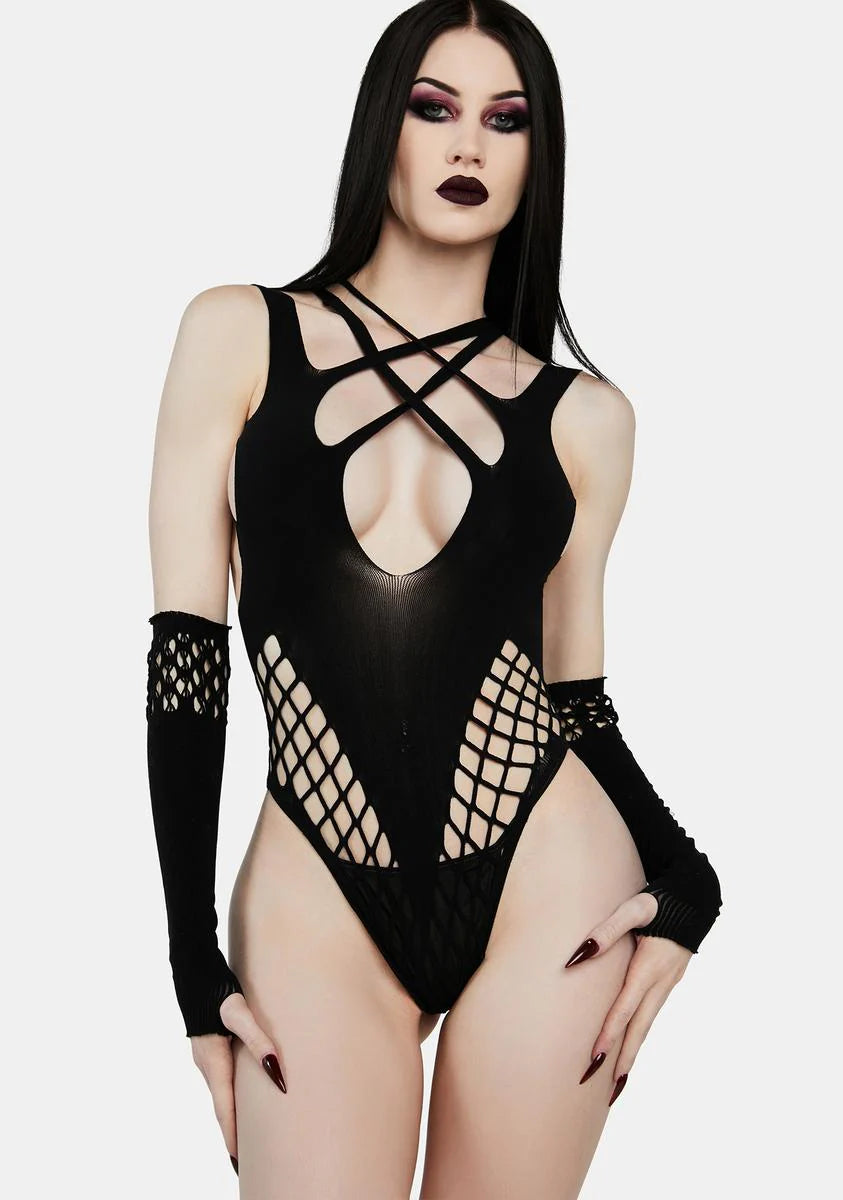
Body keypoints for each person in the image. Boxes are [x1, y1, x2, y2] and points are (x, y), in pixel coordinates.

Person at [145, 2, 723, 1195]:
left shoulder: (588, 418)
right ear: (383, 129)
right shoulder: (237, 334)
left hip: (549, 877)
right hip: (316, 875)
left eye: (507, 120)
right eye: (434, 108)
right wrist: (191, 960)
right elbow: (186, 661)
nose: (469, 145)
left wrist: (689, 877)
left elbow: (574, 699)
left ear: (539, 156)